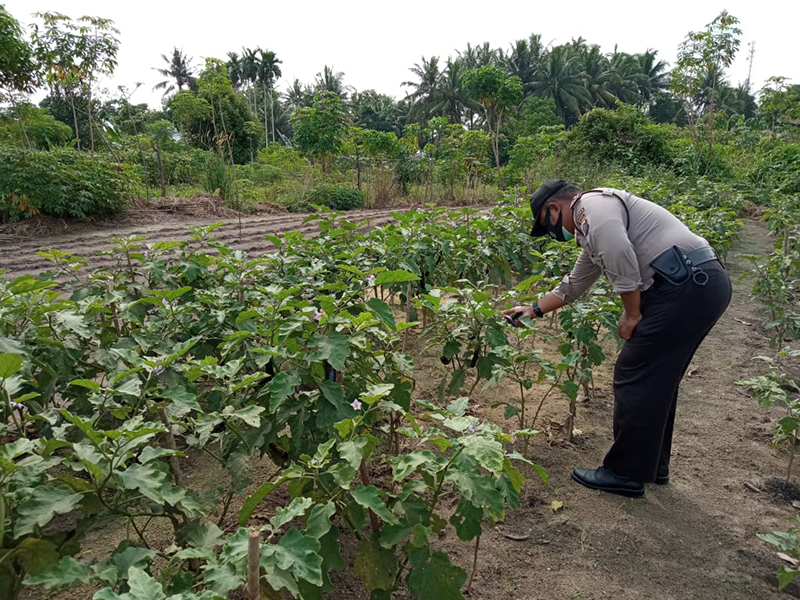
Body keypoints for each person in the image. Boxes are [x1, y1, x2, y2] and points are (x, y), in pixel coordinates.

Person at [504, 180, 732, 498]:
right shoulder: (593, 224)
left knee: (633, 373)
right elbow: (574, 283)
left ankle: (625, 473)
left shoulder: (591, 208)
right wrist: (533, 310)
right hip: (700, 283)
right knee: (658, 378)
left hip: (685, 286)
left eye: (547, 224)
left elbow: (619, 253)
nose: (553, 234)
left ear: (554, 208)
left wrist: (632, 314)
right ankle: (652, 466)